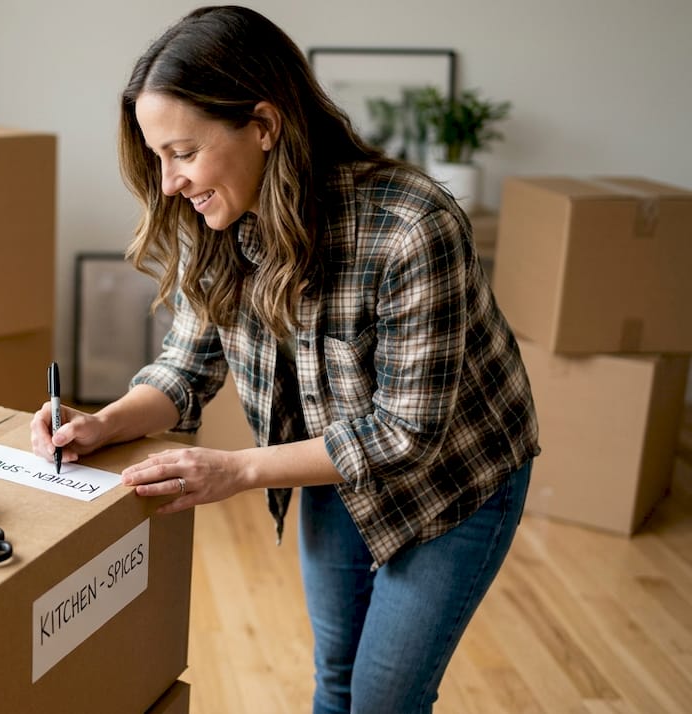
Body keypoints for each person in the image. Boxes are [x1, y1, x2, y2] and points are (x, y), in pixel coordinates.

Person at [29, 6, 540, 713]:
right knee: (335, 677)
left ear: (264, 126)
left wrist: (236, 469)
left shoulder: (412, 228)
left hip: (456, 477)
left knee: (385, 697)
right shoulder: (216, 223)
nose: (169, 182)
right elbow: (184, 371)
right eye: (158, 158)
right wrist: (104, 422)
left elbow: (406, 434)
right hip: (332, 462)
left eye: (182, 152)